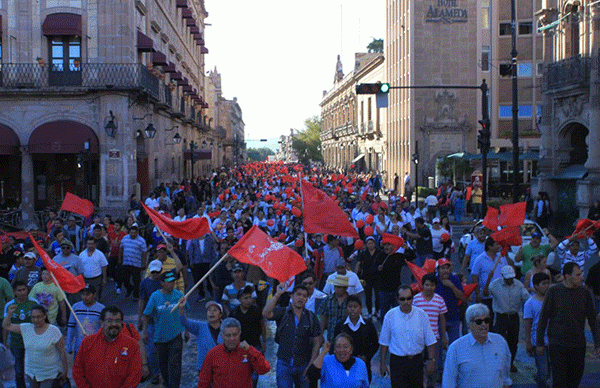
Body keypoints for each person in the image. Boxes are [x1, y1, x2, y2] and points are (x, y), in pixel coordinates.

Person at [536, 262, 600, 388]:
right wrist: (539, 343)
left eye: (580, 274)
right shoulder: (554, 292)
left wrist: (598, 343)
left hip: (578, 344)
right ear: (567, 276)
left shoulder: (584, 293)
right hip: (557, 344)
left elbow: (592, 320)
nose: (581, 277)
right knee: (560, 380)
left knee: (575, 379)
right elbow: (543, 318)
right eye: (577, 275)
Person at [263, 283, 321, 388]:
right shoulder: (283, 312)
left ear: (307, 299)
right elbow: (266, 313)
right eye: (298, 294)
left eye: (304, 296)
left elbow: (317, 342)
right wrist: (277, 294)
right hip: (284, 363)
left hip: (303, 365)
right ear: (292, 296)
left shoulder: (311, 317)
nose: (301, 298)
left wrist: (311, 364)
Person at [379, 285, 437, 388]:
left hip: (416, 362)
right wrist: (382, 363)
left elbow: (430, 340)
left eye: (409, 298)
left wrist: (431, 360)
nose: (406, 302)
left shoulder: (421, 315)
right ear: (397, 300)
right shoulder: (390, 316)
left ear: (412, 298)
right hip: (397, 363)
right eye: (402, 299)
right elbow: (384, 342)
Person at [442, 303, 511, 388]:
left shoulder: (500, 342)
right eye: (479, 322)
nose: (484, 324)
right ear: (469, 324)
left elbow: (505, 378)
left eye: (486, 320)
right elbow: (448, 382)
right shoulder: (456, 348)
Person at [72, 305, 142, 388]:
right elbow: (77, 370)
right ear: (102, 322)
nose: (114, 324)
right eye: (110, 321)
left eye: (117, 321)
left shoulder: (131, 344)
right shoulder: (88, 343)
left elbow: (135, 373)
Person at [3, 304, 68, 388]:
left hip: (49, 373)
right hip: (31, 373)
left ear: (45, 316)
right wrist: (9, 314)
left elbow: (62, 352)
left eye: (39, 317)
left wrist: (65, 370)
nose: (36, 320)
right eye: (33, 317)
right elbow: (6, 326)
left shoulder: (54, 330)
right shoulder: (26, 328)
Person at [142, 270, 187, 388]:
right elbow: (146, 314)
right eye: (168, 282)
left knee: (175, 365)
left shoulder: (179, 295)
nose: (171, 284)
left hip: (175, 336)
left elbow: (184, 312)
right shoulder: (155, 296)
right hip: (160, 337)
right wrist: (145, 331)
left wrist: (186, 330)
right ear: (161, 283)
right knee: (163, 366)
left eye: (173, 282)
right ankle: (167, 384)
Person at [198, 317, 270, 388]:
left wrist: (251, 350)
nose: (232, 339)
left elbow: (264, 369)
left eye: (235, 335)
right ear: (222, 335)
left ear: (240, 334)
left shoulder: (248, 351)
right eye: (228, 335)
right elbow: (204, 381)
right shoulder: (213, 354)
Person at [483, 263, 529, 372]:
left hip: (513, 316)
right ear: (503, 276)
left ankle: (510, 363)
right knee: (500, 340)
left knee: (513, 341)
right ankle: (499, 362)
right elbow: (485, 294)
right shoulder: (495, 285)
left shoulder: (518, 285)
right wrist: (488, 280)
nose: (510, 280)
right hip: (501, 316)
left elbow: (526, 297)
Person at [332, 295, 378, 382]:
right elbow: (334, 345)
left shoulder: (368, 325)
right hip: (344, 364)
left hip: (363, 364)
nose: (352, 309)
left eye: (355, 307)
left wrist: (366, 357)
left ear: (360, 308)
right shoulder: (340, 325)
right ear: (346, 308)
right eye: (350, 306)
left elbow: (375, 344)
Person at [412, 273, 448, 381]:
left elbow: (442, 319)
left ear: (435, 286)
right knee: (418, 363)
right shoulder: (416, 299)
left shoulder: (439, 300)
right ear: (422, 285)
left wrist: (444, 337)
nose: (429, 288)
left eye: (432, 285)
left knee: (433, 364)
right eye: (427, 285)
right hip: (418, 338)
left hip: (434, 338)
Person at [4, 281, 38, 388]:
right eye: (19, 290)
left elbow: (41, 321)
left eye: (24, 289)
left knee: (33, 370)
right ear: (14, 292)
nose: (23, 292)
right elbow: (5, 324)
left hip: (32, 342)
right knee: (19, 371)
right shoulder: (9, 306)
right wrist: (5, 342)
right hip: (16, 342)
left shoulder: (34, 303)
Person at [179, 299, 223, 372]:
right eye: (209, 310)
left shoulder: (226, 327)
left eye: (215, 310)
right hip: (204, 366)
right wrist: (181, 309)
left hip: (222, 366)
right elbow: (184, 322)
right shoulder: (200, 326)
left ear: (220, 315)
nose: (211, 312)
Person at [523, 272, 551, 388]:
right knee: (543, 369)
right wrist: (528, 341)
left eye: (547, 283)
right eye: (543, 284)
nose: (546, 286)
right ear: (536, 286)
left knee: (549, 369)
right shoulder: (530, 303)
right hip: (538, 341)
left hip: (552, 339)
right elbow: (528, 323)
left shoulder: (551, 300)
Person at [137, 259, 163, 385]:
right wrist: (140, 318)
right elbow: (142, 300)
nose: (155, 274)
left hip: (163, 320)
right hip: (150, 320)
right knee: (151, 348)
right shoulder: (144, 283)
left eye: (157, 272)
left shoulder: (165, 282)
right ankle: (156, 373)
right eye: (153, 272)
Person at [471, 237, 509, 316]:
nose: (498, 246)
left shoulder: (501, 257)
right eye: (496, 245)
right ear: (489, 247)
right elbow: (474, 277)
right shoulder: (480, 259)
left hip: (500, 294)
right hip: (487, 294)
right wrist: (477, 294)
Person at [65, 284, 104, 358]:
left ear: (94, 295)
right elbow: (71, 327)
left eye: (88, 294)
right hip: (79, 347)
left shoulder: (101, 309)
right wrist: (69, 344)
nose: (85, 297)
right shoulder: (76, 307)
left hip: (95, 347)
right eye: (83, 294)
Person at [434, 258, 463, 345]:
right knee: (438, 348)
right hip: (438, 319)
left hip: (453, 317)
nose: (445, 271)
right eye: (443, 268)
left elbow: (461, 296)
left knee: (454, 346)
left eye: (447, 268)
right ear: (438, 270)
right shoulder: (433, 281)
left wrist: (452, 286)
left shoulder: (454, 279)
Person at [355, 236, 382, 317]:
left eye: (372, 243)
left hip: (377, 277)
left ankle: (377, 311)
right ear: (366, 245)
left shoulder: (379, 252)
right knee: (368, 295)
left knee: (378, 295)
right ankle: (370, 312)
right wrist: (355, 275)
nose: (370, 245)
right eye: (369, 243)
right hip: (366, 277)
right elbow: (358, 263)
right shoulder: (363, 253)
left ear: (374, 243)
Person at [119, 223, 148, 297]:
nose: (133, 234)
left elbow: (144, 252)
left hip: (136, 264)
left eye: (134, 233)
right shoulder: (125, 238)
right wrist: (120, 259)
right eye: (131, 233)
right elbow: (121, 249)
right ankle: (129, 289)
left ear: (137, 233)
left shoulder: (141, 240)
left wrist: (144, 263)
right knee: (124, 279)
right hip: (126, 262)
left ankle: (136, 294)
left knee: (136, 281)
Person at [319, 275, 350, 344]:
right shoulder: (327, 300)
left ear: (345, 288)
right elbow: (323, 318)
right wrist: (321, 335)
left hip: (347, 337)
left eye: (339, 287)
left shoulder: (351, 301)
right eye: (335, 286)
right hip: (331, 338)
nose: (337, 289)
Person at [187, 233, 218, 301]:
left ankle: (210, 291)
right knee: (198, 278)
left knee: (209, 277)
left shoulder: (209, 238)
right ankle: (201, 294)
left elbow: (213, 249)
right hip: (197, 261)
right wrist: (191, 261)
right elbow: (191, 251)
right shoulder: (194, 238)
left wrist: (215, 260)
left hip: (208, 261)